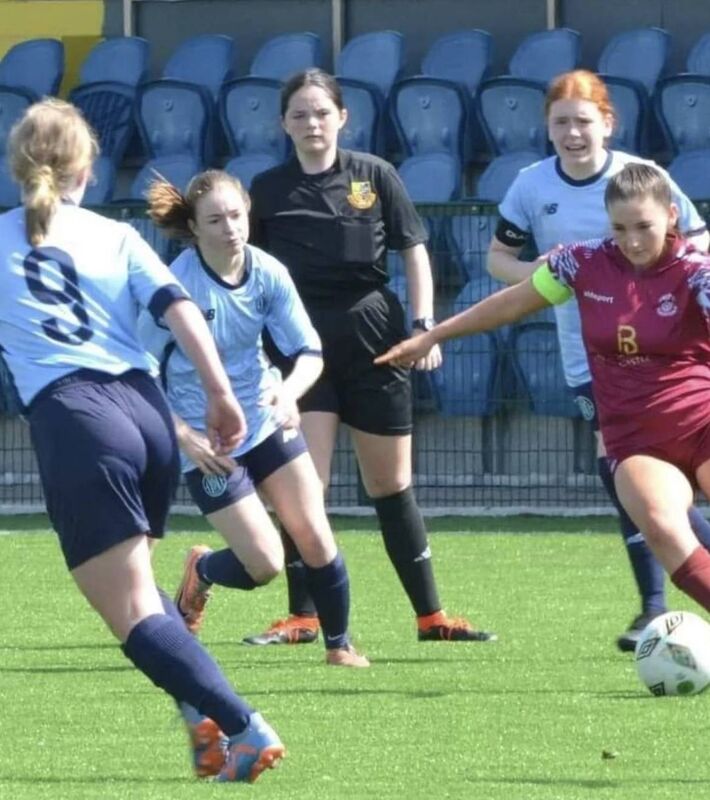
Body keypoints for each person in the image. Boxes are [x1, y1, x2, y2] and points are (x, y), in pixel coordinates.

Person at [0, 99, 285, 783]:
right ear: (87, 171)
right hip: (147, 414)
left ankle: (244, 726)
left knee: (127, 610)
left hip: (79, 420)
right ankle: (202, 719)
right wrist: (219, 393)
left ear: (19, 168)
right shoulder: (114, 235)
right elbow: (179, 308)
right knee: (140, 590)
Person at [376, 162, 710, 625]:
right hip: (636, 440)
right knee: (660, 525)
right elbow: (511, 302)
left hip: (700, 425)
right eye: (619, 228)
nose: (631, 240)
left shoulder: (697, 273)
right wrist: (435, 335)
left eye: (643, 227)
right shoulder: (583, 262)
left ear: (672, 215)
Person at [246, 68, 496, 645]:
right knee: (306, 487)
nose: (312, 122)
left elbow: (414, 250)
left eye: (321, 112)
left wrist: (423, 326)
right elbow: (249, 272)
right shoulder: (267, 188)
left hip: (375, 341)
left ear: (342, 117)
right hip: (299, 349)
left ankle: (431, 618)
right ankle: (302, 618)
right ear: (284, 123)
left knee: (391, 485)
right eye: (300, 114)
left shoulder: (375, 175)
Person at [485, 69, 710, 652]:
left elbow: (698, 238)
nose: (572, 132)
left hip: (670, 357)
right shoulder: (530, 186)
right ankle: (654, 605)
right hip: (588, 359)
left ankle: (665, 596)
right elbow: (497, 262)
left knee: (655, 486)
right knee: (627, 484)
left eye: (583, 120)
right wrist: (550, 275)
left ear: (607, 123)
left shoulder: (644, 179)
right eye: (560, 122)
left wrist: (657, 271)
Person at [141, 170, 369, 668]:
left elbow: (309, 350)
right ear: (195, 228)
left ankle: (340, 646)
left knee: (313, 533)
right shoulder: (173, 286)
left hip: (266, 420)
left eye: (237, 215)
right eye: (215, 220)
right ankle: (202, 569)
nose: (230, 228)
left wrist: (289, 395)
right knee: (263, 564)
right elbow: (138, 373)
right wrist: (184, 436)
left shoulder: (267, 272)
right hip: (207, 443)